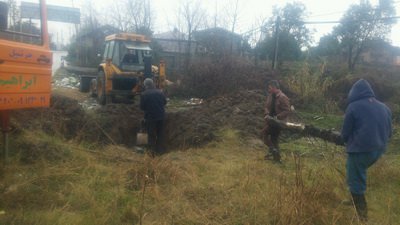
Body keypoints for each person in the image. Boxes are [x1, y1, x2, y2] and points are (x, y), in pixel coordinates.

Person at [341, 79, 392, 222]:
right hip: (379, 150)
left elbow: (345, 133)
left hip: (360, 150)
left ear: (354, 92)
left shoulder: (353, 106)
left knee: (356, 179)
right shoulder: (385, 107)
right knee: (353, 170)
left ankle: (362, 217)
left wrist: (344, 140)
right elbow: (390, 133)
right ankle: (353, 199)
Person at [262, 80, 291, 162]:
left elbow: (287, 110)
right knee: (274, 139)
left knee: (264, 133)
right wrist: (267, 113)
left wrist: (277, 117)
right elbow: (266, 106)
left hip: (278, 122)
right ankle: (276, 158)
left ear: (274, 88)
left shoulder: (283, 97)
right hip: (270, 121)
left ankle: (273, 151)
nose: (269, 90)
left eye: (270, 88)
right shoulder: (271, 96)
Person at [140, 78, 167, 156]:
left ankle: (151, 153)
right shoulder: (160, 92)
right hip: (161, 117)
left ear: (146, 85)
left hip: (150, 118)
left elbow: (142, 107)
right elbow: (164, 103)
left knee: (150, 135)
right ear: (153, 84)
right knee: (160, 134)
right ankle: (160, 152)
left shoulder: (144, 94)